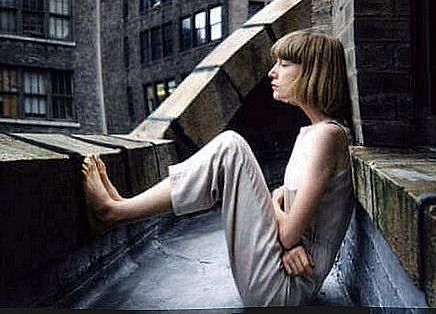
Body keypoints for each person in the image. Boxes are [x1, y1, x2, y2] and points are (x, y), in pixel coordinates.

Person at [82, 29, 355, 307]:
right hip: (281, 267)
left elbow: (287, 233)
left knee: (230, 147)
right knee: (230, 147)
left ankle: (115, 212)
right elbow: (291, 227)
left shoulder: (328, 136)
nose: (272, 73)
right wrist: (286, 229)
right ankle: (119, 205)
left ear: (312, 73)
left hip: (285, 288)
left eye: (284, 65)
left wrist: (275, 203)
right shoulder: (311, 133)